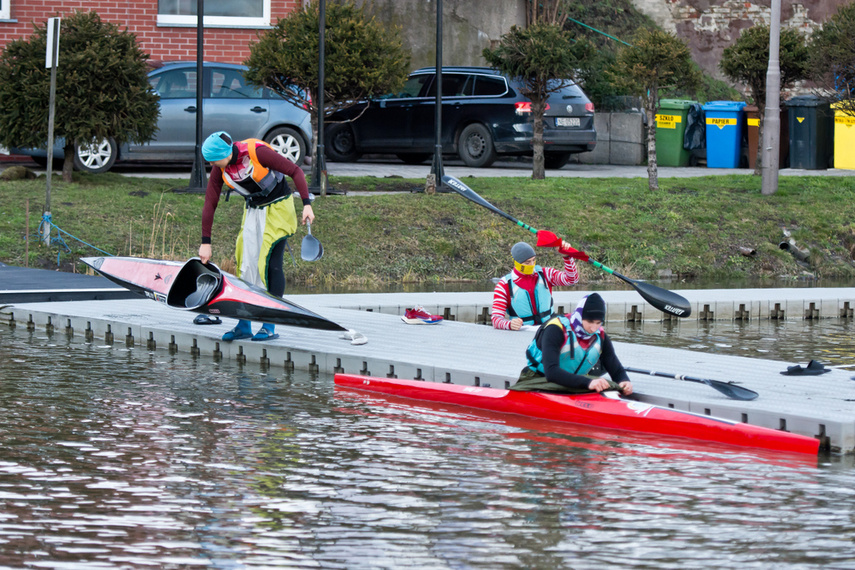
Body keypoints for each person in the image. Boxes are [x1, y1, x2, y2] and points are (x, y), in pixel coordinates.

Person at [198, 131, 314, 342]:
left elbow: (295, 171)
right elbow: (210, 202)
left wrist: (306, 204)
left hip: (279, 209)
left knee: (270, 265)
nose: (212, 165)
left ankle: (269, 324)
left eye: (214, 161)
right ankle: (244, 324)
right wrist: (206, 242)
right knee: (246, 265)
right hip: (254, 210)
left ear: (225, 154)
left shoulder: (257, 152)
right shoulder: (220, 168)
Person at [513, 293, 633, 396]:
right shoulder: (555, 329)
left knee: (609, 384)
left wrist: (623, 380)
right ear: (580, 316)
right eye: (590, 321)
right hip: (540, 379)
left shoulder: (600, 336)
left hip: (575, 382)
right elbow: (551, 372)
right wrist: (588, 382)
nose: (593, 328)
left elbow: (615, 368)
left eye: (598, 323)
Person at [491, 241, 580, 330]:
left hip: (548, 329)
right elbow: (496, 319)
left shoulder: (545, 274)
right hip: (523, 331)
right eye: (527, 262)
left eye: (533, 260)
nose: (532, 265)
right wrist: (509, 324)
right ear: (517, 263)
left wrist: (567, 257)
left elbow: (572, 280)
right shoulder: (504, 285)